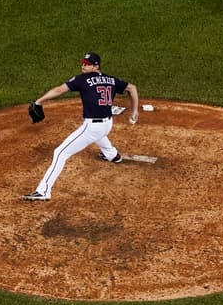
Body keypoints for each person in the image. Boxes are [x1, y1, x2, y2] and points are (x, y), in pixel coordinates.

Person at [22, 52, 140, 201]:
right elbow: (132, 88)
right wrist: (135, 110)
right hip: (107, 124)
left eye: (87, 64)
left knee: (60, 153)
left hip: (92, 128)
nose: (83, 66)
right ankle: (113, 155)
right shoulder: (111, 80)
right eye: (83, 63)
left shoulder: (82, 80)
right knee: (100, 134)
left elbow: (59, 90)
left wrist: (39, 101)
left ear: (96, 66)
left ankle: (43, 191)